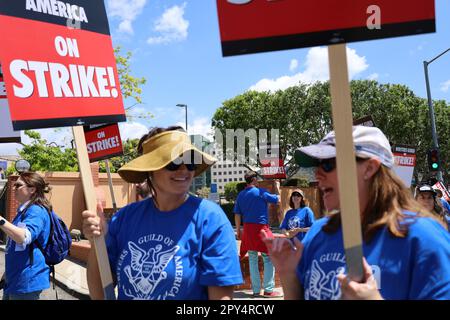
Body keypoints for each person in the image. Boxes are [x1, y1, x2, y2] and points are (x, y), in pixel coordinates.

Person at [262, 126, 450, 300]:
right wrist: (289, 276)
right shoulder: (319, 232)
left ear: (369, 168)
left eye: (327, 165)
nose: (317, 175)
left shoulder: (424, 239)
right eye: (317, 166)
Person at [82, 126, 243, 300]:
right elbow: (101, 290)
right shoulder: (124, 218)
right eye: (173, 163)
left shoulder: (210, 219)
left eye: (189, 162)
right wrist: (96, 241)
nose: (184, 170)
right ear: (151, 170)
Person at [0, 172, 51, 300]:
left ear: (32, 189)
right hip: (15, 279)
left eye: (18, 185)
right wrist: (7, 274)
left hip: (26, 282)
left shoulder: (36, 210)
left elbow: (23, 237)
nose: (14, 188)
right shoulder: (23, 212)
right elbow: (17, 246)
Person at [234, 171, 283, 298]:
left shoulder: (241, 195)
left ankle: (256, 291)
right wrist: (277, 188)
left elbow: (237, 214)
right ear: (254, 180)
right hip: (261, 229)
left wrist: (238, 230)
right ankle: (268, 290)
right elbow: (278, 200)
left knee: (252, 258)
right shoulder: (261, 192)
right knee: (269, 257)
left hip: (248, 230)